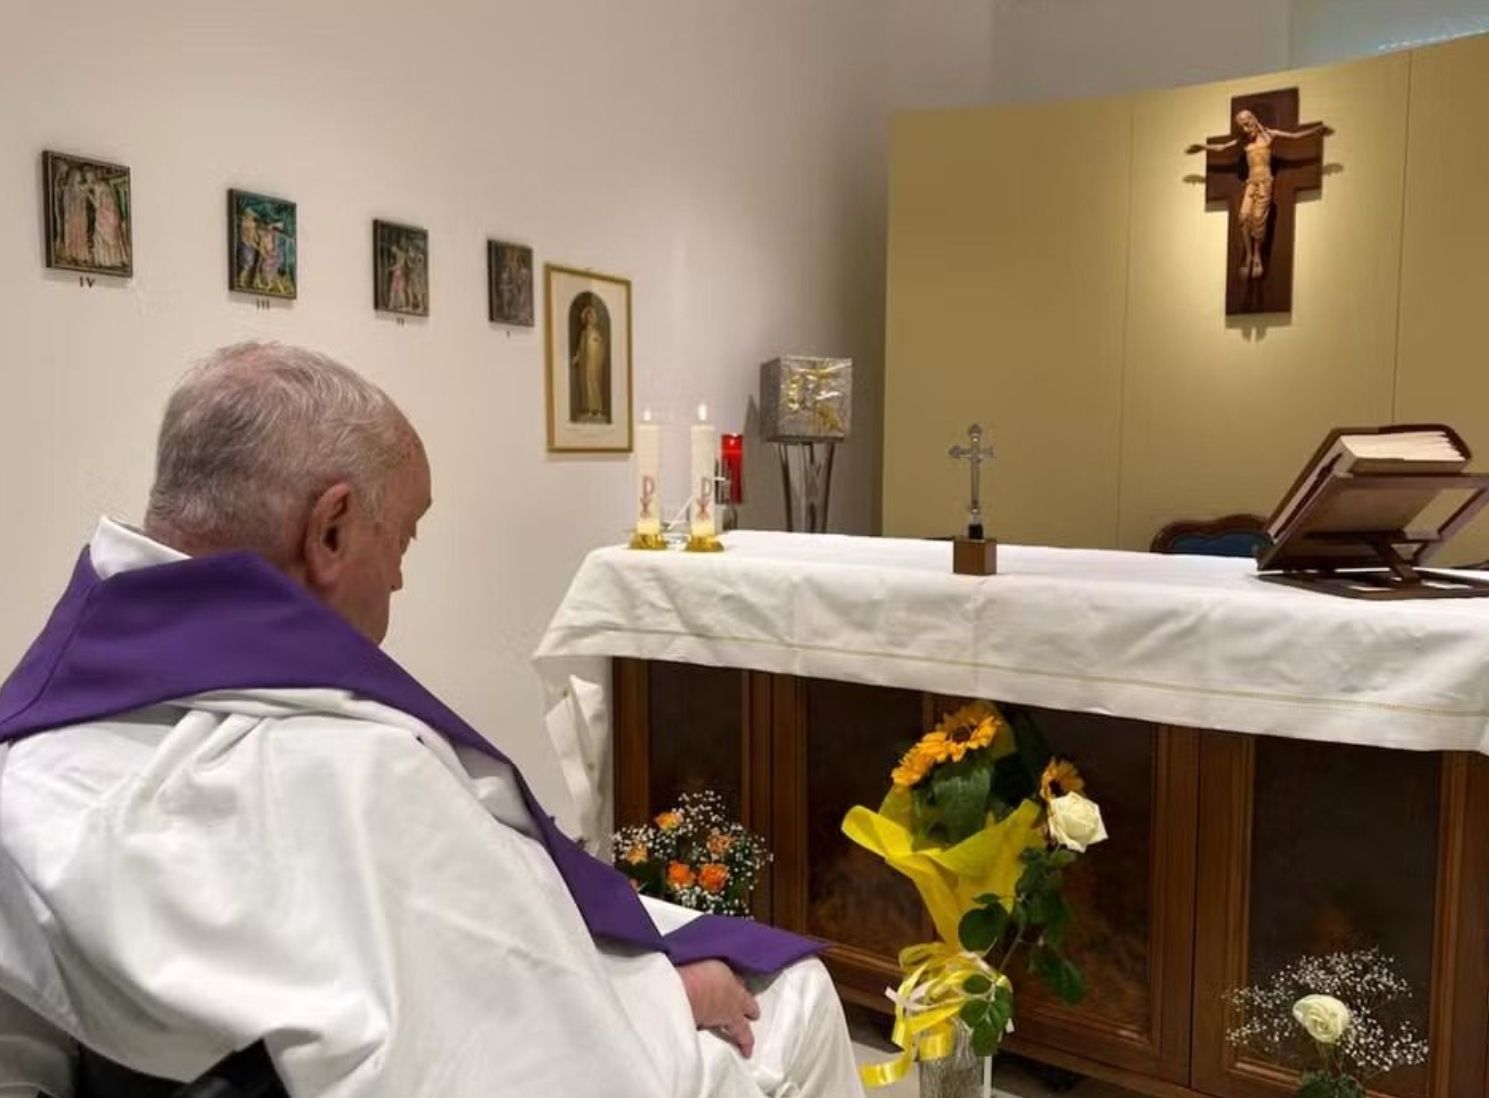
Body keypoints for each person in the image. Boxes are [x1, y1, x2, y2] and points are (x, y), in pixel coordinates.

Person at [0, 342, 859, 1097]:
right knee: (795, 1000)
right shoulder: (355, 769)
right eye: (402, 539)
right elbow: (509, 1035)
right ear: (330, 531)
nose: (402, 582)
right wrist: (666, 996)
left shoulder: (34, 735)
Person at [1186, 108, 1331, 279]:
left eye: (1247, 124)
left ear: (1253, 120)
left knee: (1257, 218)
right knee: (1243, 217)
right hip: (1251, 182)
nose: (1246, 130)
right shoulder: (1243, 142)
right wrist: (1202, 147)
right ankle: (1248, 255)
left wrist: (1316, 131)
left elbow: (1294, 136)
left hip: (1265, 182)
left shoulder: (1269, 136)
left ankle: (1257, 256)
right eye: (1242, 127)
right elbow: (1222, 147)